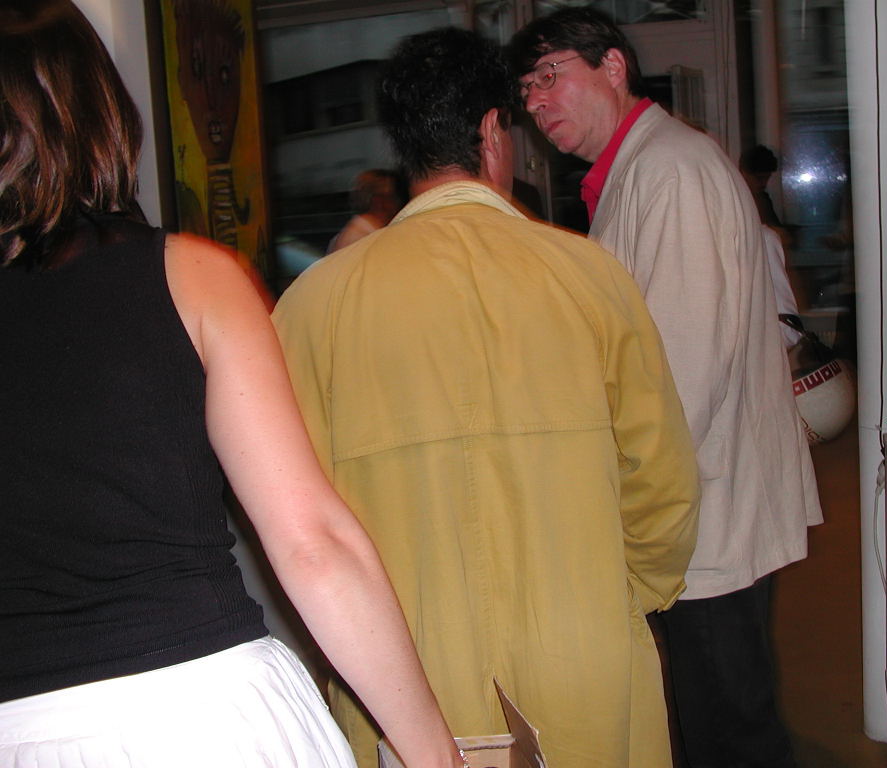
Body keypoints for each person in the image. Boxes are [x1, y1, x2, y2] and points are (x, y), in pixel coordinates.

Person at [0, 4, 464, 768]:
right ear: (99, 111)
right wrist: (436, 756)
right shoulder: (190, 277)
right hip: (204, 713)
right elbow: (312, 544)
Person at [273, 26, 701, 768]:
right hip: (581, 645)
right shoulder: (591, 277)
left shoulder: (313, 306)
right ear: (493, 130)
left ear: (404, 145)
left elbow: (295, 521)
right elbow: (662, 483)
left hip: (402, 670)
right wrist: (625, 591)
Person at [510, 10, 823, 768]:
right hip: (697, 501)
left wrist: (634, 505)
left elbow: (684, 372)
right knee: (722, 709)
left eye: (549, 74)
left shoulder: (669, 170)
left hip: (702, 508)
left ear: (613, 67)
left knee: (730, 726)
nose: (536, 101)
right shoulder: (641, 168)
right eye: (525, 90)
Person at [326, 169, 402, 253]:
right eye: (392, 197)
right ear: (378, 200)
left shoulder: (371, 232)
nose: (397, 203)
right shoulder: (360, 237)